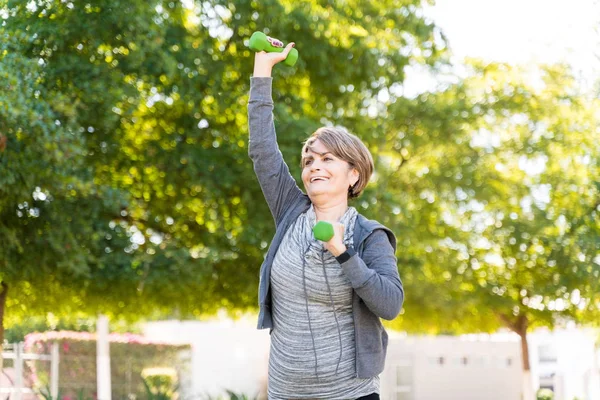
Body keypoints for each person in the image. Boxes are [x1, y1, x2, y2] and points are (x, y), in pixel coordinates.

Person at [248, 39, 404, 400]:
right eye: (309, 160)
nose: (315, 166)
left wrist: (343, 253)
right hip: (287, 390)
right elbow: (262, 149)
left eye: (328, 159)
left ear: (354, 175)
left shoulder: (368, 236)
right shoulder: (291, 211)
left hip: (350, 393)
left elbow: (390, 304)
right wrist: (263, 70)